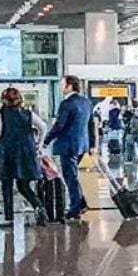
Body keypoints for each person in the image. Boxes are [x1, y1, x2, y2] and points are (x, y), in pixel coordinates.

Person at [0, 87, 49, 229]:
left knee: (7, 186)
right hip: (27, 152)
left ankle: (9, 218)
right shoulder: (28, 113)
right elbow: (43, 126)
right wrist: (39, 144)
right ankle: (39, 207)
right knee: (23, 185)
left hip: (8, 153)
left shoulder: (0, 114)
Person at [43, 75, 93, 222]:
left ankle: (75, 209)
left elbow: (60, 125)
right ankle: (81, 203)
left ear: (69, 86)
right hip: (81, 145)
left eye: (62, 84)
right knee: (72, 175)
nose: (60, 87)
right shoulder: (86, 102)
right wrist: (92, 144)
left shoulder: (66, 104)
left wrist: (46, 140)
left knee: (70, 176)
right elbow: (91, 125)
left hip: (68, 145)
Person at [124, 100, 138, 165]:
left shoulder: (129, 112)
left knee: (129, 146)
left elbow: (121, 117)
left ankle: (129, 160)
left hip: (130, 132)